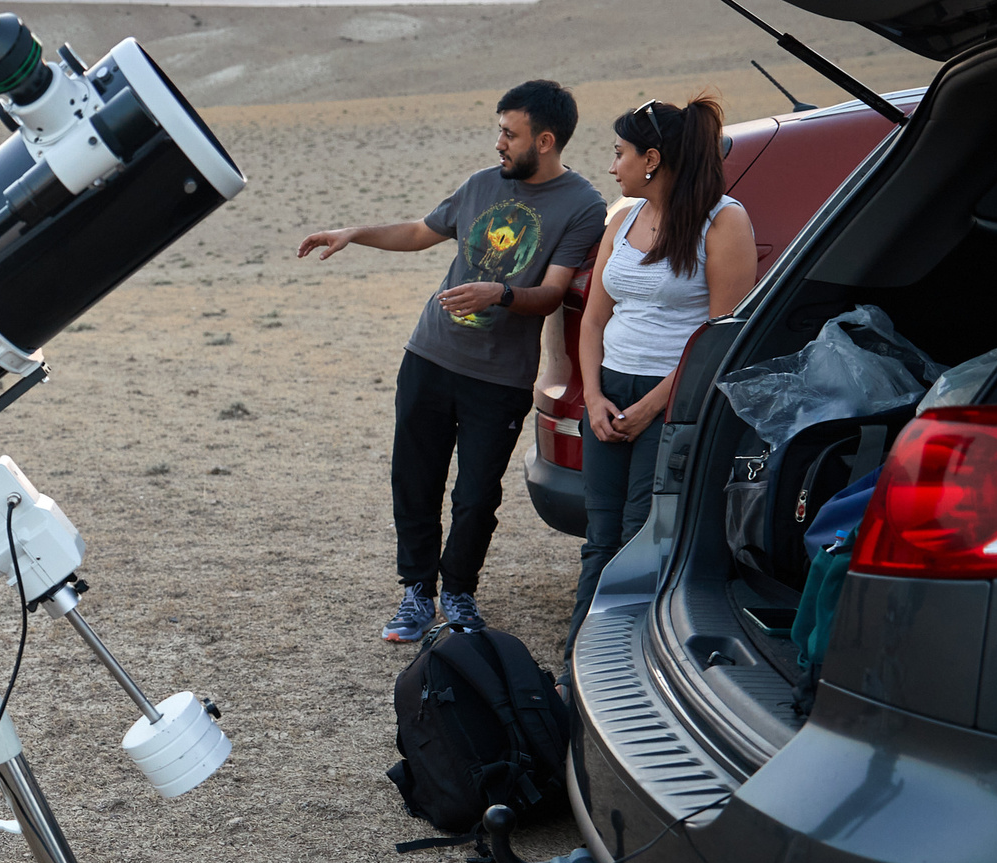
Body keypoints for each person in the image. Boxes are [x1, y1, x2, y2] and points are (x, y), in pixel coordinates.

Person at [298, 80, 609, 643]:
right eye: (499, 130)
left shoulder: (582, 206)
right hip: (431, 356)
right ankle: (417, 592)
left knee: (475, 496)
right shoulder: (480, 186)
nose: (498, 143)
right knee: (414, 480)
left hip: (500, 377)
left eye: (509, 134)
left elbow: (555, 292)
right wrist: (355, 233)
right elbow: (421, 232)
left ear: (544, 140)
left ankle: (459, 593)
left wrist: (501, 294)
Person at [566, 96, 755, 650]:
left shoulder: (724, 221)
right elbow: (594, 318)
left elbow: (721, 335)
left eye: (618, 153)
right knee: (599, 539)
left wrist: (650, 409)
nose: (611, 166)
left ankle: (623, 666)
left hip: (672, 402)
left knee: (638, 541)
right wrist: (594, 398)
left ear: (651, 158)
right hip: (610, 396)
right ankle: (578, 667)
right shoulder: (621, 220)